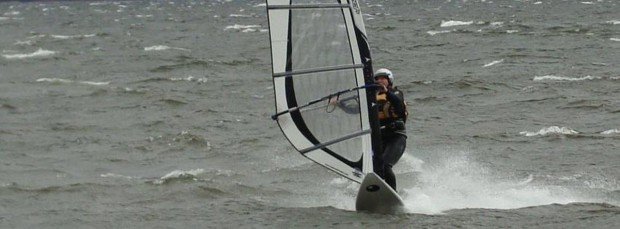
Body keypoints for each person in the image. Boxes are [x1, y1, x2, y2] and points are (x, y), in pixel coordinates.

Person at [373, 68, 407, 191]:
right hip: (380, 138)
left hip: (396, 137)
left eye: (383, 78)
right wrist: (340, 104)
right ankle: (376, 191)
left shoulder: (396, 93)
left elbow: (398, 104)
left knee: (385, 166)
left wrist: (387, 92)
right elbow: (356, 110)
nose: (379, 81)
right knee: (372, 168)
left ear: (389, 80)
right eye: (377, 79)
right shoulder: (372, 98)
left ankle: (393, 193)